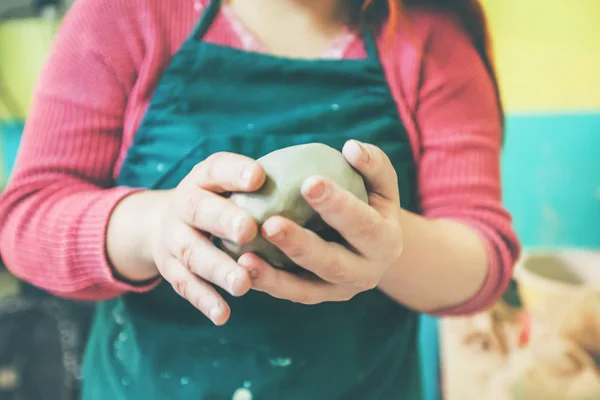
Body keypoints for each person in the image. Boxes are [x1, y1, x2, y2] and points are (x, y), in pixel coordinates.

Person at [0, 0, 521, 398]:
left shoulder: (430, 42)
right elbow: (27, 218)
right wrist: (156, 227)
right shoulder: (125, 15)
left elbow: (482, 260)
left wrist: (388, 244)